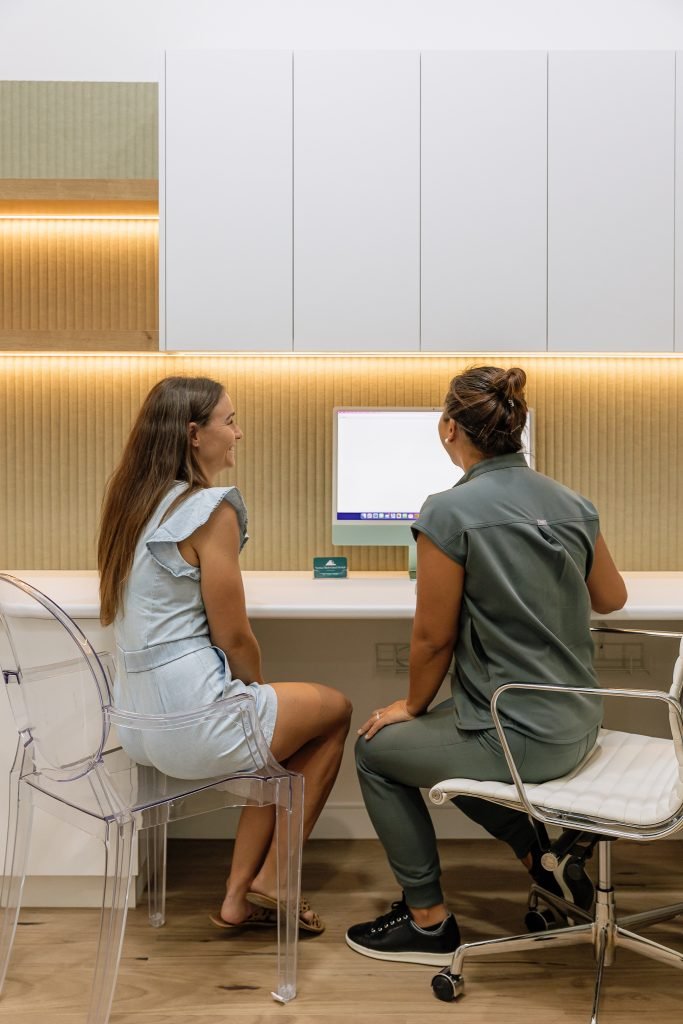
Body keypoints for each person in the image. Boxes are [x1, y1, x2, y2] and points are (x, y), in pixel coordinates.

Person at [345, 365, 627, 965]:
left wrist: (409, 706)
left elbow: (431, 639)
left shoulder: (449, 511)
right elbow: (612, 598)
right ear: (515, 428)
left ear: (449, 428)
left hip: (518, 736)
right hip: (578, 724)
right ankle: (542, 858)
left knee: (376, 750)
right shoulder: (572, 501)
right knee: (443, 740)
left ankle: (427, 922)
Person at [98, 375, 352, 933]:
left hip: (138, 721)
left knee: (284, 732)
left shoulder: (133, 502)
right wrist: (254, 692)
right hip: (191, 720)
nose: (239, 433)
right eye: (230, 421)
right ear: (195, 434)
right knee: (333, 711)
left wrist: (258, 701)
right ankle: (277, 881)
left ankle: (240, 899)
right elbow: (233, 637)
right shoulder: (211, 508)